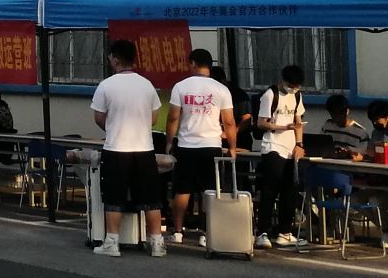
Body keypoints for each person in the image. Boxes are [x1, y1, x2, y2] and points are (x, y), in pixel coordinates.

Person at [91, 40, 167, 257]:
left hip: (116, 148)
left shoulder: (106, 85)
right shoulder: (147, 85)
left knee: (113, 197)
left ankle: (112, 242)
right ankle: (157, 243)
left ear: (115, 60)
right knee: (151, 198)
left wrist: (113, 126)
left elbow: (98, 117)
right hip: (144, 149)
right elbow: (154, 119)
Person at [165, 57, 237, 244]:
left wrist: (169, 142)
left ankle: (178, 232)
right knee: (210, 191)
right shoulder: (221, 89)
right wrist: (232, 147)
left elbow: (173, 118)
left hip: (186, 145)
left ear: (193, 63)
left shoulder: (180, 86)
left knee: (182, 190)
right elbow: (229, 122)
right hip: (211, 146)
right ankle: (207, 233)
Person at [254, 65, 307, 249]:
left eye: (297, 86)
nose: (293, 89)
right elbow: (261, 123)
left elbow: (299, 122)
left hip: (290, 148)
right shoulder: (271, 94)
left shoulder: (297, 96)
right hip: (273, 146)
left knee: (289, 191)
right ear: (284, 81)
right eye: (291, 85)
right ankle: (262, 232)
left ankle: (285, 231)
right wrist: (283, 127)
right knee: (270, 189)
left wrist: (299, 144)